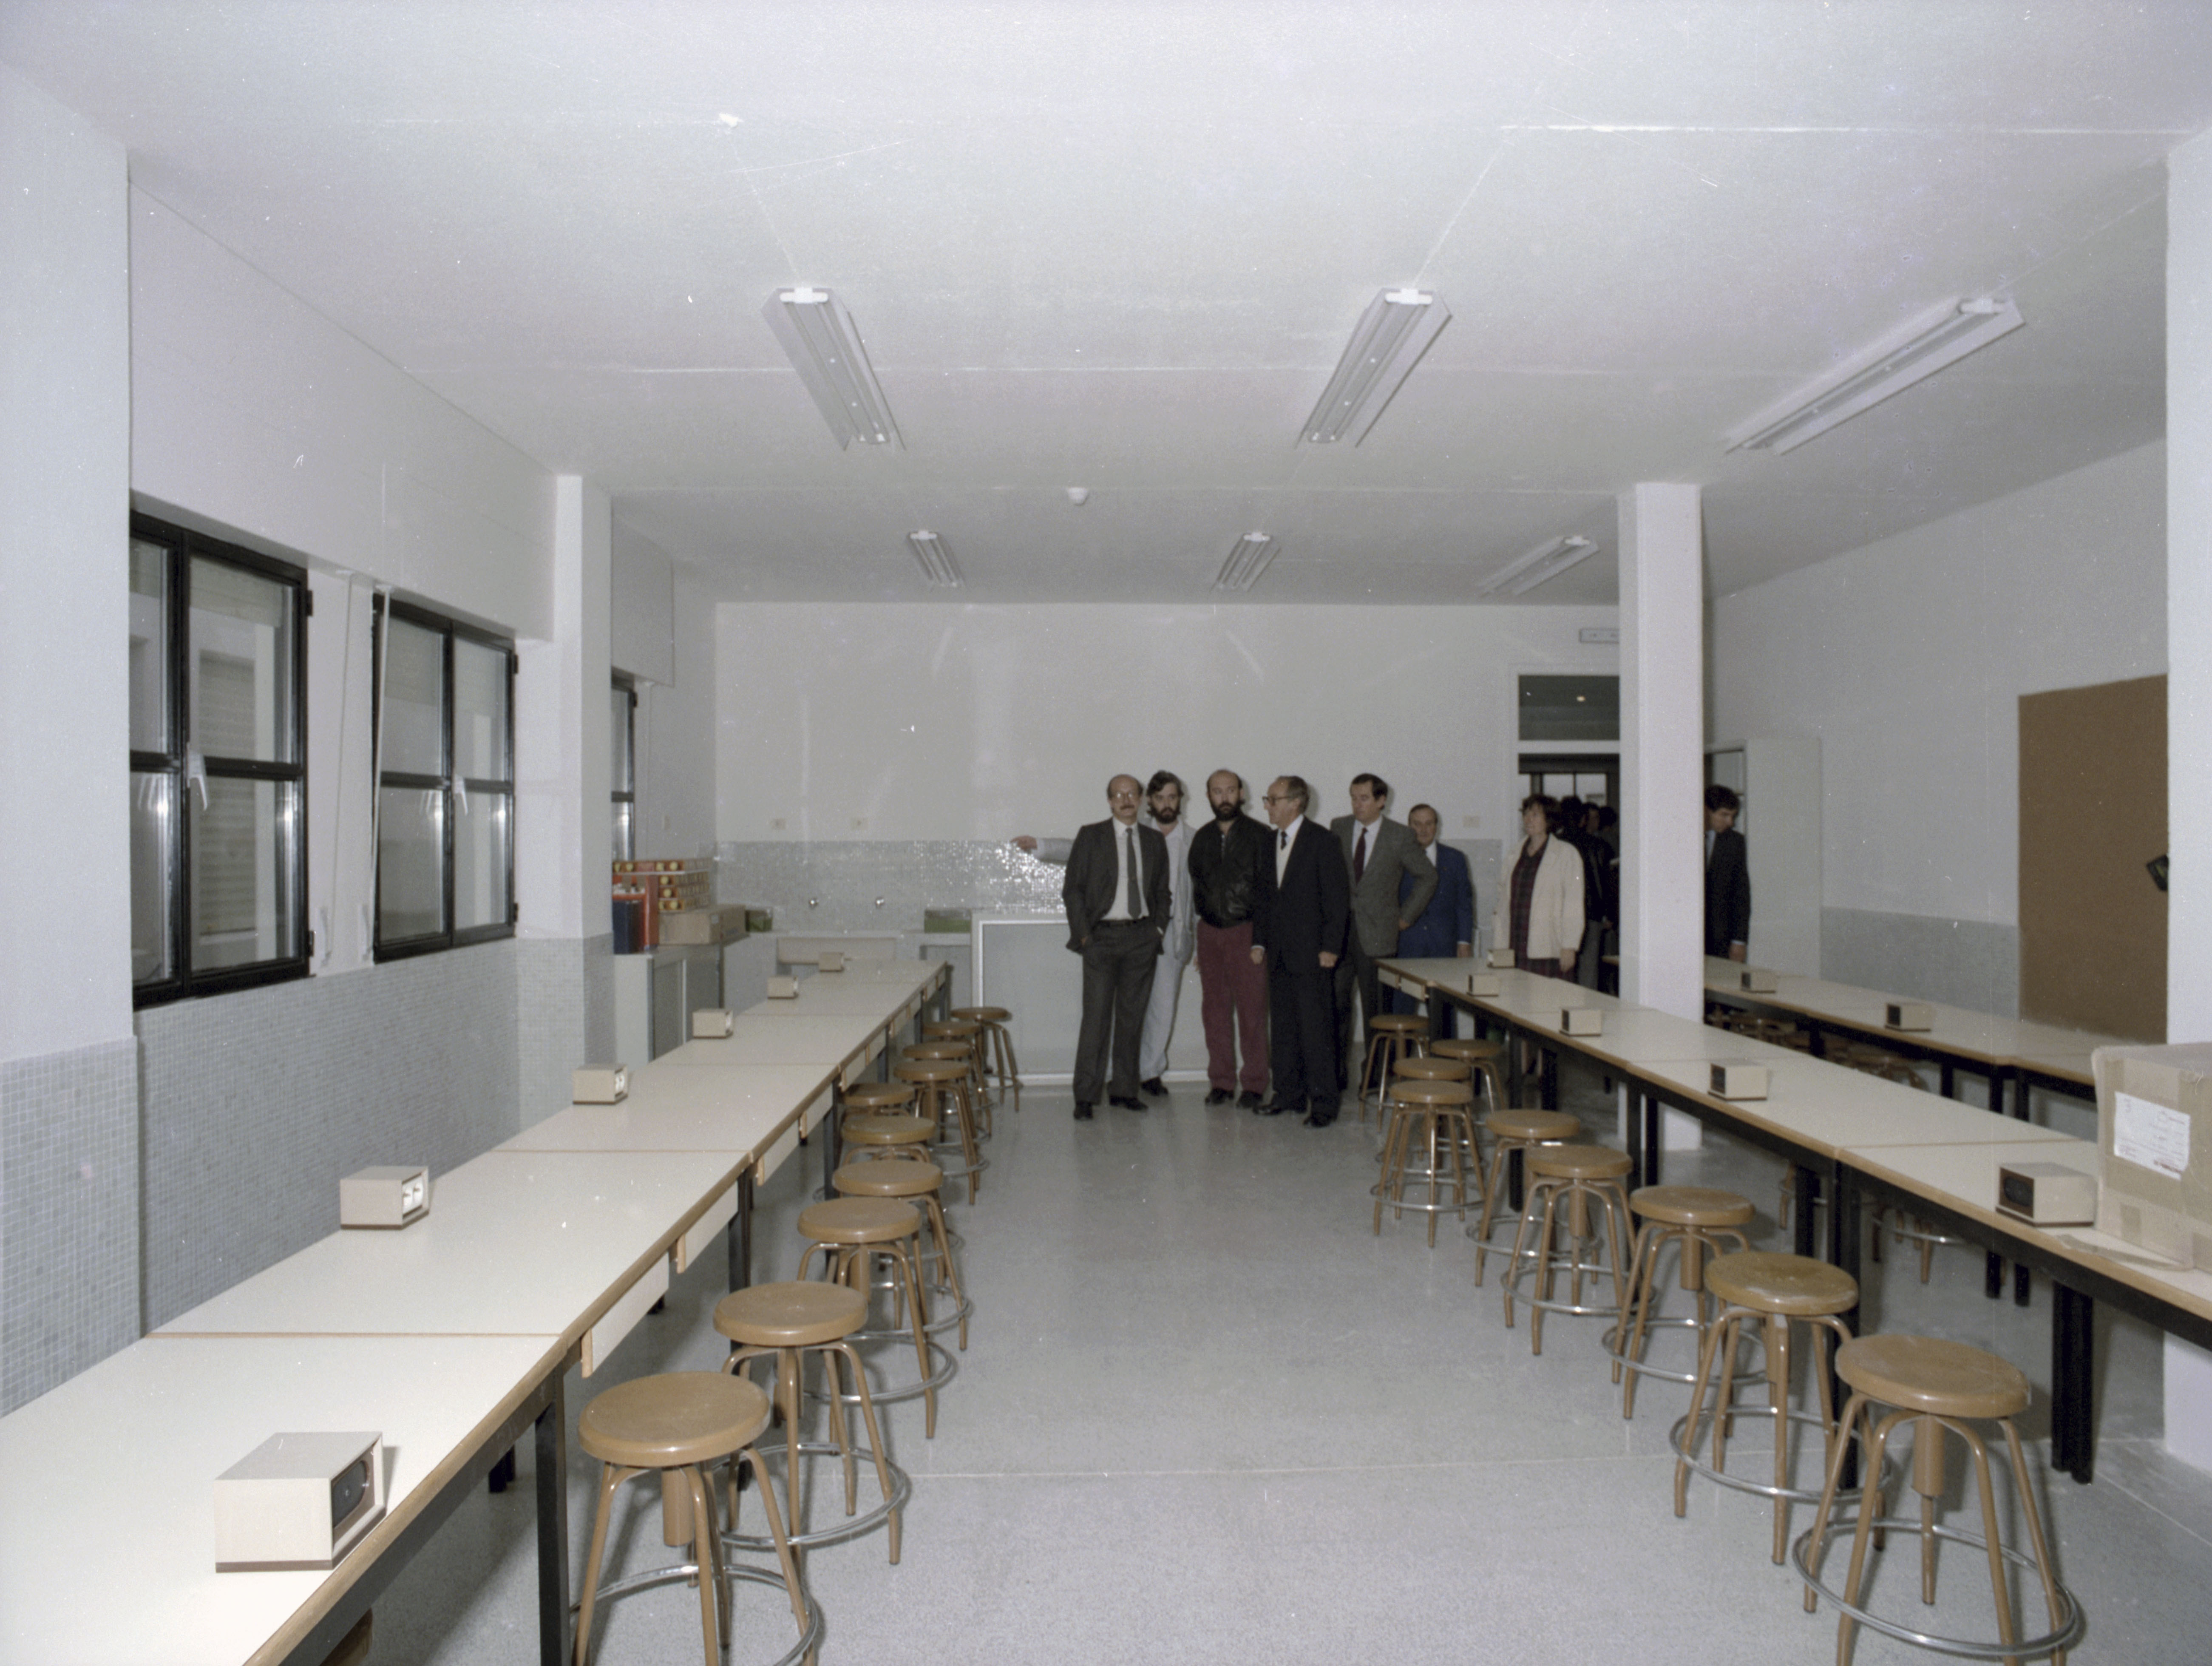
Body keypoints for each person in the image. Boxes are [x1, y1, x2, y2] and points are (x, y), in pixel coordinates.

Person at [1061, 775, 1170, 1120]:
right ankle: (1085, 1095)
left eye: (1132, 794)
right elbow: (1073, 890)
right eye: (1118, 795)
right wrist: (1085, 937)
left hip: (1141, 939)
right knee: (1096, 1019)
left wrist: (1157, 930)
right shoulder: (1091, 836)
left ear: (1142, 799)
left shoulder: (1154, 840)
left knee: (1132, 1019)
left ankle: (1124, 1090)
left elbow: (1162, 892)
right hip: (1101, 939)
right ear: (1110, 801)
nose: (1126, 800)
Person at [1330, 773, 1435, 1087]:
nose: (1357, 804)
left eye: (1364, 798)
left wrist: (1406, 917)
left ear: (1381, 801)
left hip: (1379, 935)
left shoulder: (1399, 835)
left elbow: (1428, 877)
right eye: (1353, 797)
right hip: (1340, 932)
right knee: (1335, 1006)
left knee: (1376, 1012)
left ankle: (1374, 1077)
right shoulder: (1339, 827)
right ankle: (1335, 1076)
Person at [1258, 775, 1349, 1128]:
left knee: (1316, 1030)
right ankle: (1288, 1094)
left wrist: (1331, 947)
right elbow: (1266, 899)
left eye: (1273, 799)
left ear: (1295, 803)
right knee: (1283, 1027)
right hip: (1280, 953)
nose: (1268, 806)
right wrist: (1260, 941)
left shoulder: (1323, 841)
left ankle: (1324, 1102)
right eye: (1268, 799)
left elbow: (1337, 899)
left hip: (1313, 954)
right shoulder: (1269, 842)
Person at [1187, 769, 1273, 1107]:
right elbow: (1198, 889)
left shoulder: (1260, 836)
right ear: (1209, 796)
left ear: (1242, 794)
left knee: (1252, 1012)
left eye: (1230, 790)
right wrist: (1200, 941)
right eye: (1217, 791)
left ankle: (1254, 1084)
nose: (1224, 797)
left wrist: (1260, 940)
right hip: (1210, 933)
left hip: (1246, 932)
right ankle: (1221, 1082)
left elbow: (1268, 894)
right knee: (1215, 1012)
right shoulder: (1202, 838)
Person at [1134, 771, 1194, 1096]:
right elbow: (1085, 847)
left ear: (1180, 800)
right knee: (1129, 1003)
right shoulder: (1135, 833)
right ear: (1150, 801)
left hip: (1173, 930)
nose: (1167, 804)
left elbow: (1202, 894)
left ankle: (1150, 1072)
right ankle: (1122, 1072)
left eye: (1172, 797)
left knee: (1163, 1003)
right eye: (1160, 798)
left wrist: (1200, 942)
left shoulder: (1195, 839)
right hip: (1136, 929)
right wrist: (1041, 846)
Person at [1392, 803, 1474, 1010]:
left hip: (1444, 947)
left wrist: (1464, 942)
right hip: (1407, 945)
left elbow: (1464, 904)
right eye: (1417, 824)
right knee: (1402, 1011)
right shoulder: (1396, 859)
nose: (1423, 830)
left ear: (1437, 826)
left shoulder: (1455, 859)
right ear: (1409, 827)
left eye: (1429, 824)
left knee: (1444, 1013)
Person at [1493, 794, 1585, 978]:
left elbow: (1574, 904)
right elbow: (1502, 897)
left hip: (1548, 947)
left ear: (1549, 819)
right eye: (1526, 814)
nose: (1529, 820)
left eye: (1535, 815)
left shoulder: (1567, 854)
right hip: (1514, 944)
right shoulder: (1514, 854)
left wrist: (1570, 946)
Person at [1556, 795, 1611, 990]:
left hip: (1561, 916)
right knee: (1589, 975)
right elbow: (1604, 883)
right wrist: (1608, 915)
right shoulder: (1597, 845)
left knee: (1562, 974)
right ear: (1583, 819)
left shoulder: (1554, 846)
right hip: (1591, 915)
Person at [1704, 783, 1751, 962]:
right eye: (1724, 815)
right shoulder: (1683, 838)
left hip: (1720, 940)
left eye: (1733, 816)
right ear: (1707, 811)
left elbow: (1741, 895)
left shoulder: (1735, 843)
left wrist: (1739, 941)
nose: (1730, 823)